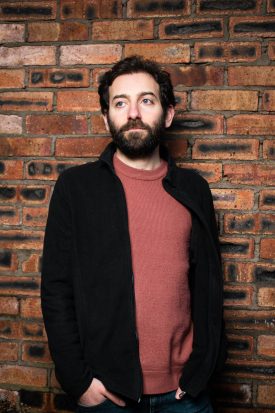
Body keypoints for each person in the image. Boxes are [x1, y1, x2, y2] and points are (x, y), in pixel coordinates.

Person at [41, 56, 226, 413]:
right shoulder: (75, 188)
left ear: (167, 114)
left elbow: (208, 287)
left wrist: (203, 369)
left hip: (185, 395)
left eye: (147, 100)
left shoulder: (193, 189)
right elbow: (56, 288)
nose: (133, 113)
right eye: (120, 102)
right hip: (107, 394)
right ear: (106, 117)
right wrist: (78, 383)